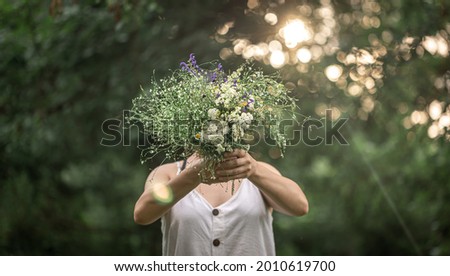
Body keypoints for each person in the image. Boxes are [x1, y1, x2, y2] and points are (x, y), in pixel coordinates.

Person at [134, 149, 309, 256]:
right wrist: (194, 174)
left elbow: (300, 207)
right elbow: (142, 214)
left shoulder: (258, 172)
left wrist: (254, 170)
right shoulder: (167, 173)